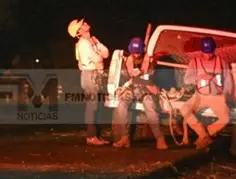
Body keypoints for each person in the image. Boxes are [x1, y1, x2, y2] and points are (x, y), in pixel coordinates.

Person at [112, 37, 168, 149]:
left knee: (149, 106)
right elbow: (124, 77)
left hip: (145, 88)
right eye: (134, 53)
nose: (136, 55)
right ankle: (125, 137)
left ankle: (160, 138)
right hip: (132, 88)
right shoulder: (127, 61)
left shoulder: (149, 60)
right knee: (121, 105)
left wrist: (140, 75)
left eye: (138, 53)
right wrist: (128, 79)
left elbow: (152, 76)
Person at [181, 36, 233, 149]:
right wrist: (199, 77)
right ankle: (204, 135)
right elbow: (187, 79)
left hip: (217, 97)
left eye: (210, 52)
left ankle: (204, 136)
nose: (208, 55)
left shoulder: (221, 62)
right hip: (200, 96)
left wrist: (225, 94)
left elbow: (228, 80)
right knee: (185, 109)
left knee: (226, 118)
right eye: (206, 52)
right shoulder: (195, 62)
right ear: (201, 51)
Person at [68, 18, 110, 146]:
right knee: (92, 107)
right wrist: (98, 54)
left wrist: (97, 44)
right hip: (90, 75)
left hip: (95, 75)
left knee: (97, 107)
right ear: (79, 31)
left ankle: (96, 136)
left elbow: (106, 54)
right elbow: (98, 59)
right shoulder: (83, 44)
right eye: (82, 24)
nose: (85, 23)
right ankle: (91, 136)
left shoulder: (90, 41)